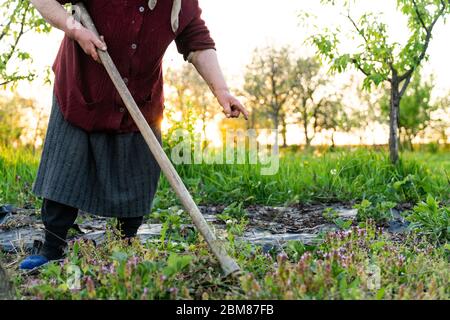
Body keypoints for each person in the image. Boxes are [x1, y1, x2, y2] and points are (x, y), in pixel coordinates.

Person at [20, 0, 249, 270]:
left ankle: (124, 247)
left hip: (139, 99)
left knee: (136, 176)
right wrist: (76, 30)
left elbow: (197, 42)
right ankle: (52, 247)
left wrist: (221, 90)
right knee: (66, 170)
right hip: (83, 89)